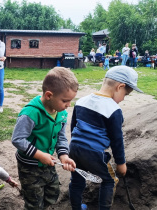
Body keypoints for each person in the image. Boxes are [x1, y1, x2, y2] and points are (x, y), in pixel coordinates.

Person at [69, 66, 143, 210]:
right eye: (125, 94)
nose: (122, 99)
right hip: (95, 154)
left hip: (75, 148)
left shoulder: (82, 101)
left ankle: (76, 208)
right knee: (109, 181)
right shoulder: (113, 110)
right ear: (119, 87)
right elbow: (117, 140)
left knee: (77, 180)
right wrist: (121, 163)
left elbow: (73, 127)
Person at [12, 67, 77, 210]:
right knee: (34, 201)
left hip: (48, 163)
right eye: (65, 101)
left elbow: (60, 136)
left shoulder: (61, 113)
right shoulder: (30, 113)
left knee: (52, 192)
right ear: (49, 95)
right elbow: (17, 139)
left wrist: (64, 155)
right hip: (29, 166)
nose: (68, 105)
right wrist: (39, 155)